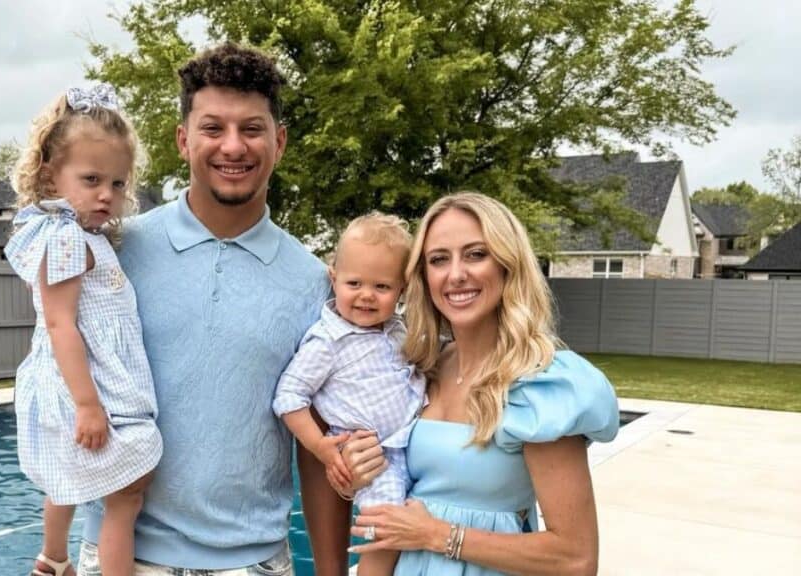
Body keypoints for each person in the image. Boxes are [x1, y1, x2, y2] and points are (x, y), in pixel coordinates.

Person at [76, 43, 331, 575]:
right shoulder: (113, 252)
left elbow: (318, 446)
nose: (233, 147)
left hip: (254, 562)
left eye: (252, 129)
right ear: (183, 139)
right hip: (121, 556)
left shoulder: (313, 281)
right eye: (213, 128)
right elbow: (61, 383)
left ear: (279, 142)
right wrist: (55, 549)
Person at [340, 192, 619, 575]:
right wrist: (355, 472)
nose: (456, 274)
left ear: (508, 263)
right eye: (439, 259)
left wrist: (436, 535)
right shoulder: (419, 370)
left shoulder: (539, 385)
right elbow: (394, 493)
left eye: (475, 254)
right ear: (423, 277)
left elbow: (575, 558)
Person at [4, 83, 162, 576]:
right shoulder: (67, 238)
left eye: (117, 184)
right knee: (128, 492)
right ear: (51, 176)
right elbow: (60, 324)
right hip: (85, 387)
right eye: (91, 178)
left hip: (83, 380)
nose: (106, 195)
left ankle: (52, 558)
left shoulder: (75, 233)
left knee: (65, 472)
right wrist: (89, 405)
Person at [273, 212, 425, 576]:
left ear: (401, 289)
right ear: (333, 277)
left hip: (416, 445)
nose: (366, 296)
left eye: (382, 287)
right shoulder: (328, 342)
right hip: (377, 456)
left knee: (420, 530)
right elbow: (289, 396)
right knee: (384, 535)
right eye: (354, 283)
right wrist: (320, 447)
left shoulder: (400, 332)